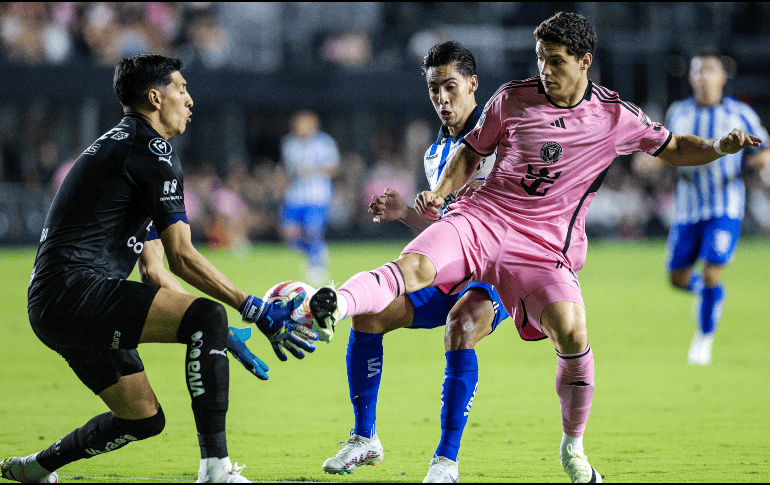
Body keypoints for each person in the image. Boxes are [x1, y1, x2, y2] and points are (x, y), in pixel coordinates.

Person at [307, 12, 762, 484]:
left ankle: (573, 446)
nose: (545, 69)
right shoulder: (512, 99)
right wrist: (440, 194)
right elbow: (472, 152)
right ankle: (335, 308)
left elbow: (674, 147)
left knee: (570, 330)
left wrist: (718, 147)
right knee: (408, 273)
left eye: (557, 61)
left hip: (543, 246)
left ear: (585, 61)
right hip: (483, 220)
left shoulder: (613, 116)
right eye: (541, 58)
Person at [1, 54, 318, 484]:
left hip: (57, 305)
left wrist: (218, 334)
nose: (189, 100)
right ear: (155, 97)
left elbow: (154, 270)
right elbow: (182, 257)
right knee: (208, 314)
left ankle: (37, 467)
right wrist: (254, 308)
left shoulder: (126, 150)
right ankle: (216, 470)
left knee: (143, 419)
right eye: (182, 89)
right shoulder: (151, 152)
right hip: (76, 293)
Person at [320, 42, 510, 483]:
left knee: (461, 327)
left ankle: (446, 463)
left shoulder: (503, 135)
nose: (442, 98)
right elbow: (442, 231)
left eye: (450, 86)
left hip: (494, 273)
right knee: (370, 316)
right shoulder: (433, 155)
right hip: (448, 272)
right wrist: (406, 214)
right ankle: (364, 438)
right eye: (433, 89)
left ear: (473, 84)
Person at [663, 51, 769, 366]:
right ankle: (712, 296)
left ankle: (703, 341)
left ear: (724, 77)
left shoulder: (741, 113)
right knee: (677, 279)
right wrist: (650, 163)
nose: (704, 77)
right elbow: (665, 150)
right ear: (691, 78)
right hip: (687, 207)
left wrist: (758, 161)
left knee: (711, 271)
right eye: (698, 72)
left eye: (710, 71)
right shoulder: (678, 113)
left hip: (725, 205)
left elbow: (765, 148)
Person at [279, 110, 340, 287]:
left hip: (317, 195)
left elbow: (333, 168)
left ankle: (317, 265)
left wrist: (313, 171)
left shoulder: (324, 143)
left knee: (313, 230)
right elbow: (288, 170)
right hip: (296, 195)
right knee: (290, 233)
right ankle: (317, 251)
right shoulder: (289, 143)